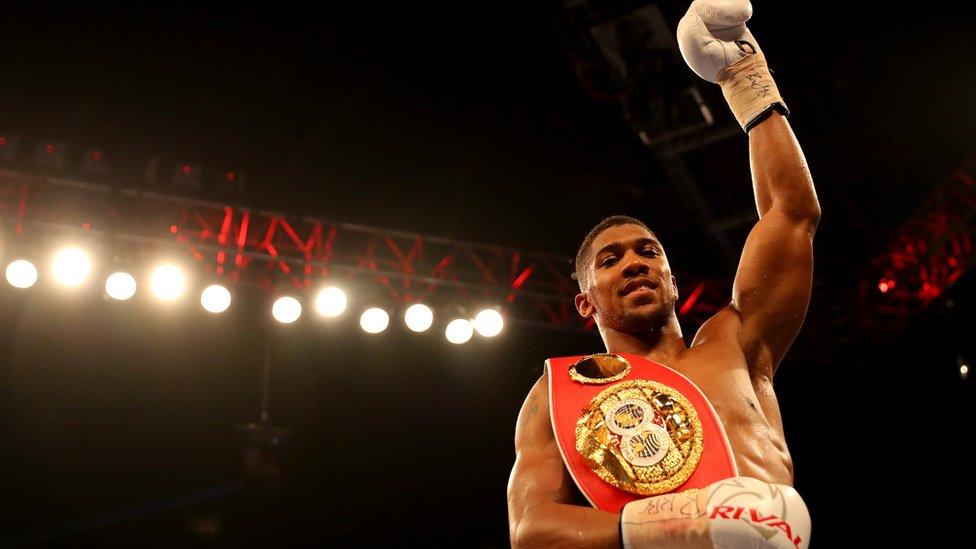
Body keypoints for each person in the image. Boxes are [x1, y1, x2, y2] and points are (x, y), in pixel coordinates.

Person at [507, 1, 817, 547]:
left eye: (649, 252)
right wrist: (689, 523)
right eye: (611, 260)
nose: (634, 262)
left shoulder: (736, 344)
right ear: (587, 303)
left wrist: (746, 78)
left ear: (672, 279)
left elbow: (790, 214)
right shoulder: (554, 395)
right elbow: (533, 529)